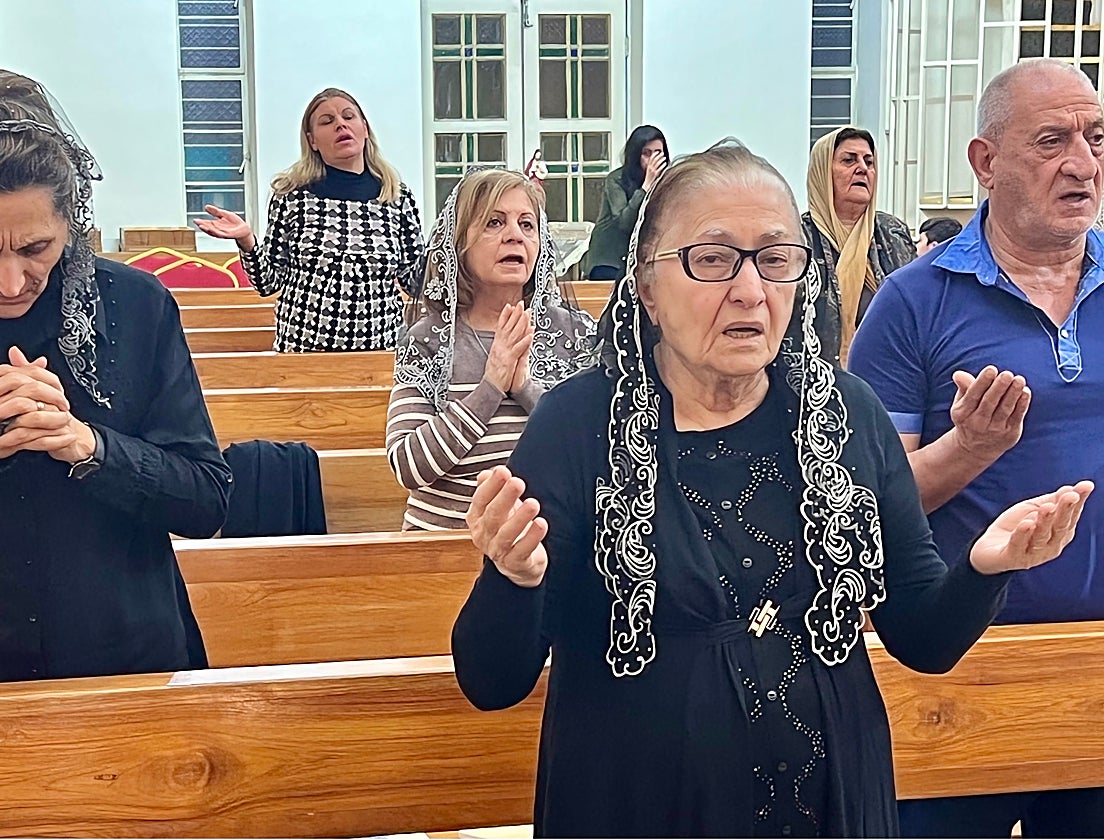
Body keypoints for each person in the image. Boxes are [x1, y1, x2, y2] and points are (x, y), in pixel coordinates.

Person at [451, 139, 1092, 837]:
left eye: (776, 259)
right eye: (714, 259)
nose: (750, 290)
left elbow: (923, 640)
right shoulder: (577, 426)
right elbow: (492, 681)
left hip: (832, 803)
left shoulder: (846, 414)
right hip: (637, 801)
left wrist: (984, 566)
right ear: (647, 286)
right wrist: (512, 579)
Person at [0, 68, 231, 689]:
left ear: (71, 220)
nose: (9, 281)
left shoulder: (138, 305)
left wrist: (89, 447)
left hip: (124, 661)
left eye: (35, 248)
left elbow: (205, 501)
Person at [848, 58, 1104, 837]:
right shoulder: (912, 303)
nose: (1084, 164)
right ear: (985, 162)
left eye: (1096, 138)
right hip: (958, 676)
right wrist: (971, 449)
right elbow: (860, 508)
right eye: (1053, 140)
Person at [387, 169, 596, 530]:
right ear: (460, 244)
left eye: (527, 225)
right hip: (440, 553)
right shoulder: (429, 338)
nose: (515, 235)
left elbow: (597, 452)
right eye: (494, 223)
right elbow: (409, 466)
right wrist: (491, 387)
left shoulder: (574, 332)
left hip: (545, 548)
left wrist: (525, 389)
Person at [195, 87, 426, 351]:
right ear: (312, 140)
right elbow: (268, 282)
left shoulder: (396, 195)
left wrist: (454, 245)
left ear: (364, 128)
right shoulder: (291, 195)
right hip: (305, 351)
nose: (340, 124)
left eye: (348, 117)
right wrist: (246, 241)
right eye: (327, 121)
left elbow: (415, 279)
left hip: (381, 351)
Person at [791, 126, 916, 366]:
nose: (863, 169)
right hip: (812, 384)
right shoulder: (797, 239)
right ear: (822, 172)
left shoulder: (892, 234)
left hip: (888, 380)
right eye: (849, 160)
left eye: (869, 162)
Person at [582, 124, 669, 281]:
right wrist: (646, 186)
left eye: (658, 153)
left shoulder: (666, 182)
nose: (653, 160)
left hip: (641, 260)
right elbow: (625, 222)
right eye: (646, 154)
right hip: (609, 260)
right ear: (636, 155)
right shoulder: (616, 179)